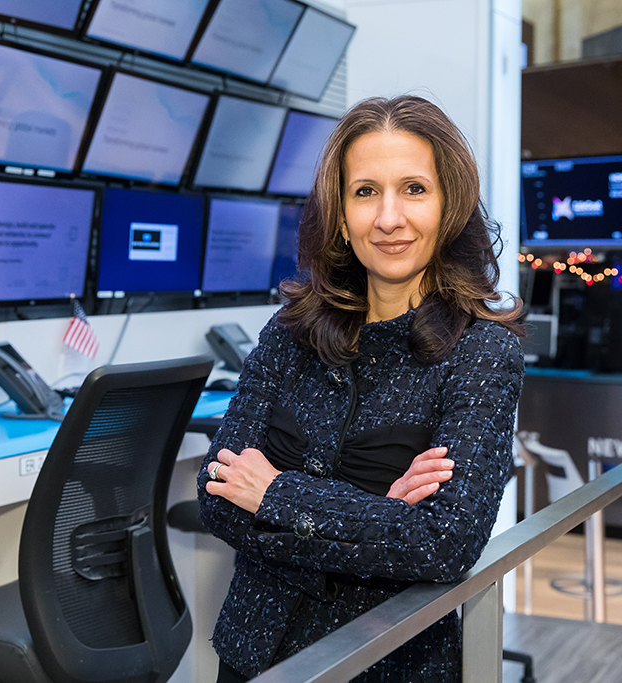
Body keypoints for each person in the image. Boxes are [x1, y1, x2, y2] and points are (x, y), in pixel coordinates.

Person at [197, 94, 524, 682]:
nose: (389, 218)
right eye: (365, 191)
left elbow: (445, 543)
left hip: (386, 661)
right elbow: (217, 496)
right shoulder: (289, 331)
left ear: (449, 205)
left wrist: (274, 495)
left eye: (414, 190)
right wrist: (380, 516)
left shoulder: (482, 352)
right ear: (341, 216)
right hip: (254, 654)